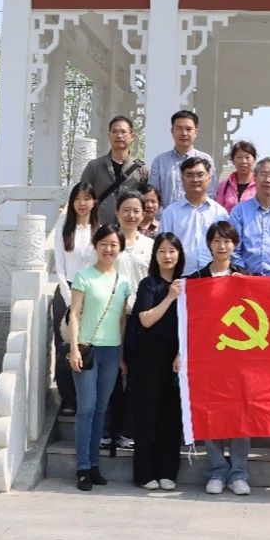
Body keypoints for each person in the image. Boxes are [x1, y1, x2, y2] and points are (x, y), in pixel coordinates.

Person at [67, 224, 134, 492]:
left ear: (120, 248)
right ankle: (82, 467)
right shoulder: (83, 276)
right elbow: (74, 314)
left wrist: (122, 355)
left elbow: (121, 320)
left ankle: (94, 464)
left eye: (113, 244)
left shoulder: (124, 282)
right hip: (87, 349)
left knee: (100, 409)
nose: (108, 249)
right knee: (86, 408)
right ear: (95, 246)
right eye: (103, 243)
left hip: (112, 351)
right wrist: (74, 349)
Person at [186, 221, 251, 495]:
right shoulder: (196, 279)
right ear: (209, 245)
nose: (222, 246)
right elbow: (188, 321)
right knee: (210, 412)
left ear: (234, 245)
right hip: (207, 357)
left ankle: (239, 473)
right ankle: (216, 471)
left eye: (227, 241)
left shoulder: (245, 277)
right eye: (216, 241)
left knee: (240, 415)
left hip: (239, 357)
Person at [128, 232, 186, 491]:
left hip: (177, 356)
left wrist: (181, 352)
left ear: (179, 254)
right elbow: (146, 319)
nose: (167, 256)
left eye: (172, 251)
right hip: (150, 355)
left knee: (171, 416)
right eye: (162, 251)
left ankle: (167, 471)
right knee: (147, 414)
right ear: (155, 255)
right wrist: (170, 297)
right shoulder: (148, 284)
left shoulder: (187, 284)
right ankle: (144, 473)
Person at [108, 190, 153, 449]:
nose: (131, 215)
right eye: (126, 209)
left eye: (136, 210)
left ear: (144, 214)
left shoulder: (150, 245)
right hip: (111, 315)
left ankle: (127, 430)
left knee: (134, 375)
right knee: (112, 373)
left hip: (140, 317)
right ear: (117, 212)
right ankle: (107, 430)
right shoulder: (109, 242)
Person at [52, 182, 98, 416]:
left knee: (88, 345)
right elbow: (59, 264)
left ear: (94, 202)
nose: (82, 203)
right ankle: (68, 398)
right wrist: (68, 296)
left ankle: (87, 397)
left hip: (91, 292)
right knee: (65, 346)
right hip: (67, 289)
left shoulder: (99, 230)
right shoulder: (63, 227)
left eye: (87, 198)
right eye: (78, 199)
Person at [157, 157, 229, 275]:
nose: (195, 179)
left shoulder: (220, 213)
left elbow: (227, 248)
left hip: (213, 277)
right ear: (182, 179)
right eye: (189, 175)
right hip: (181, 277)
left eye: (200, 175)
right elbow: (163, 248)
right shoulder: (170, 213)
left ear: (209, 178)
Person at [79, 116, 149, 225]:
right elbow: (82, 196)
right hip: (100, 228)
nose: (119, 135)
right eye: (114, 132)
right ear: (109, 136)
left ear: (132, 136)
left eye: (123, 132)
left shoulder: (140, 169)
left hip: (130, 227)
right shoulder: (94, 166)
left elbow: (147, 199)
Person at [148, 110, 216, 207]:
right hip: (166, 215)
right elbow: (153, 196)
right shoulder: (159, 161)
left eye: (188, 129)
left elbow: (211, 193)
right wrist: (166, 214)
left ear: (196, 132)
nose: (184, 133)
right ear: (172, 131)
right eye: (179, 128)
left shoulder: (206, 159)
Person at [216, 140, 259, 212]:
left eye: (247, 157)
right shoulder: (224, 185)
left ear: (254, 160)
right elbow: (218, 210)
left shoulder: (260, 184)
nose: (243, 161)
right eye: (239, 157)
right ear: (233, 160)